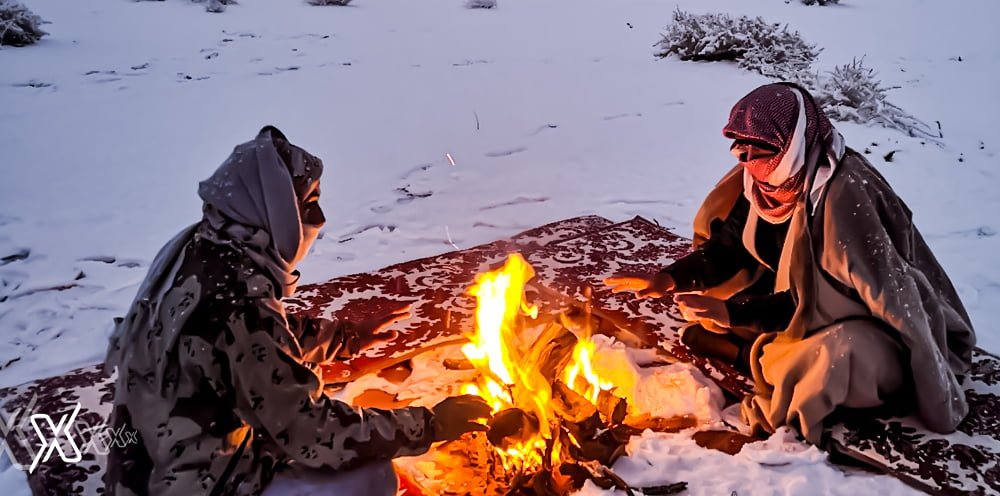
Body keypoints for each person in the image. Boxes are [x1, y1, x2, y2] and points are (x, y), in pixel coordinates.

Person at [103, 126, 490, 495]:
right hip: (192, 479)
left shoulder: (200, 248)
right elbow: (312, 433)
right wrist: (431, 424)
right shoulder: (236, 297)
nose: (317, 221)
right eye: (307, 204)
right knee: (370, 476)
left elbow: (242, 350)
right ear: (272, 208)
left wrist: (344, 338)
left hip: (145, 460)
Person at [606, 83, 976, 444]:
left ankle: (753, 361)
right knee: (716, 290)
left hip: (865, 323)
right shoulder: (765, 180)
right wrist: (669, 279)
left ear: (794, 141)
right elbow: (729, 248)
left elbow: (823, 303)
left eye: (760, 149)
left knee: (831, 357)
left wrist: (733, 315)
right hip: (795, 298)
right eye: (741, 149)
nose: (748, 161)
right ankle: (755, 353)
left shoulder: (844, 197)